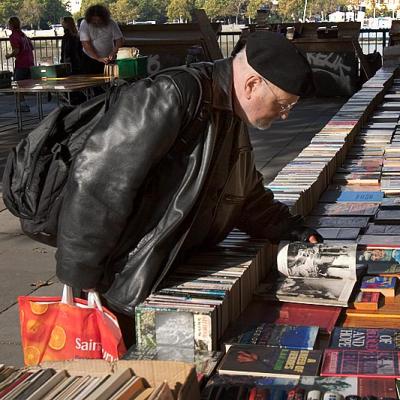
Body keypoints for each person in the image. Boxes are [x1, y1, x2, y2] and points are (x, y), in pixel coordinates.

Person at [56, 31, 322, 345]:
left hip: (166, 277)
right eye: (282, 104)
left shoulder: (232, 115)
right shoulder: (173, 94)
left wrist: (292, 229)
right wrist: (81, 277)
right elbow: (97, 182)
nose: (285, 114)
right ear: (252, 85)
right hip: (122, 284)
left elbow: (246, 196)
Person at [79, 4, 123, 74]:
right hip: (89, 58)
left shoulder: (111, 23)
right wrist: (98, 58)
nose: (96, 22)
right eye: (94, 20)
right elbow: (86, 44)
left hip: (109, 58)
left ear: (104, 18)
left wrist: (114, 52)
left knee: (110, 80)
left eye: (99, 20)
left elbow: (119, 39)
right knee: (92, 81)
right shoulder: (85, 23)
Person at [5, 16, 34, 112]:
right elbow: (31, 47)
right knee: (24, 85)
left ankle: (22, 106)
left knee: (17, 85)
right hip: (30, 62)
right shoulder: (23, 35)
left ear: (11, 25)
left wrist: (9, 55)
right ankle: (23, 104)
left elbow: (16, 50)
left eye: (9, 24)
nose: (8, 25)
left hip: (21, 63)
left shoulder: (13, 36)